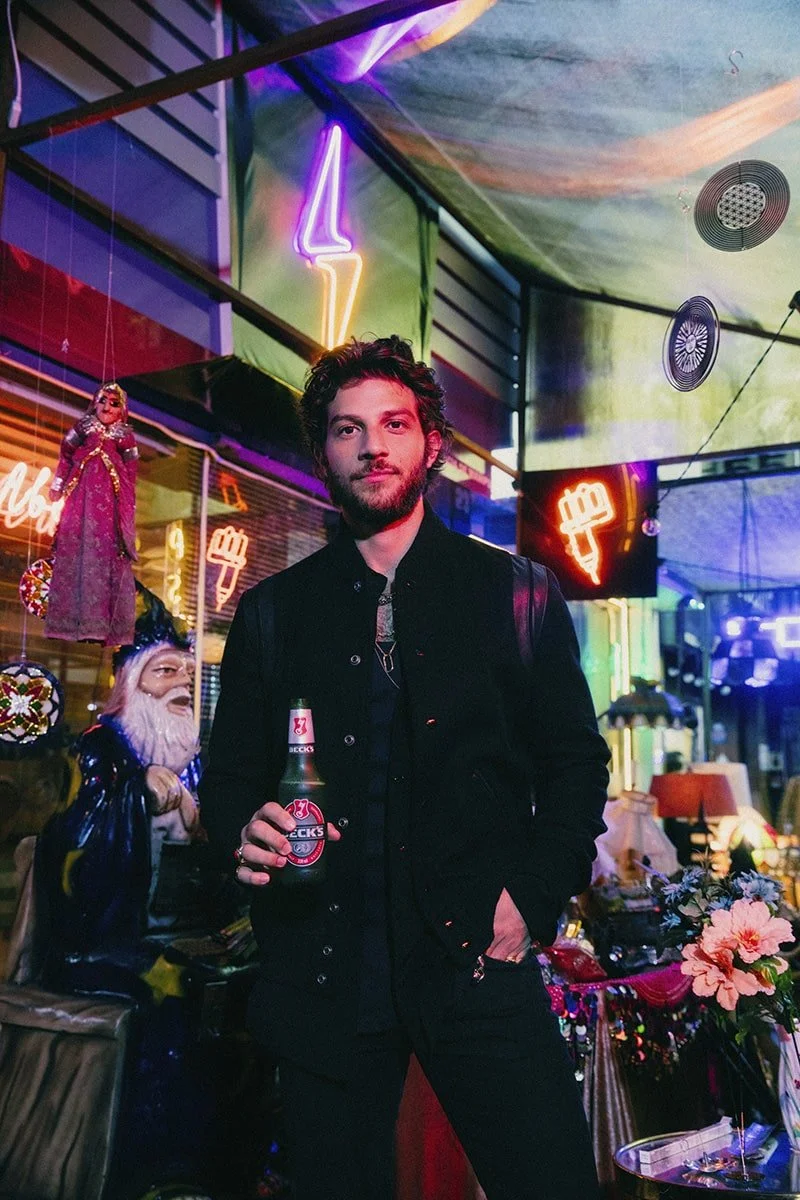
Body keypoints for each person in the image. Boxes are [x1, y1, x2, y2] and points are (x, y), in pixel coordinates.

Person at [199, 335, 611, 1200]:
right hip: (323, 969)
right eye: (347, 429)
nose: (372, 446)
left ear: (432, 445)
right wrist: (244, 831)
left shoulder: (518, 593)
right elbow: (231, 775)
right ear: (323, 454)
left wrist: (533, 897)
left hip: (477, 952)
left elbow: (575, 762)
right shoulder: (273, 613)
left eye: (393, 424)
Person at [36, 587, 203, 998]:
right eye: (166, 671)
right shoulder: (100, 746)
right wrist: (135, 790)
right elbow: (75, 834)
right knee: (168, 993)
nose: (184, 682)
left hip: (175, 922)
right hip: (105, 939)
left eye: (189, 673)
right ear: (131, 680)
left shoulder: (190, 758)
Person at [45, 380, 138, 645]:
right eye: (102, 401)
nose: (107, 407)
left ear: (122, 410)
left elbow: (131, 471)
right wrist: (58, 483)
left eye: (114, 404)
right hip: (79, 502)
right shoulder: (83, 428)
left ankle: (100, 625)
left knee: (104, 557)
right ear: (94, 403)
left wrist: (127, 509)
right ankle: (70, 622)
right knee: (76, 553)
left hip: (108, 509)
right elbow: (66, 454)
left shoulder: (124, 436)